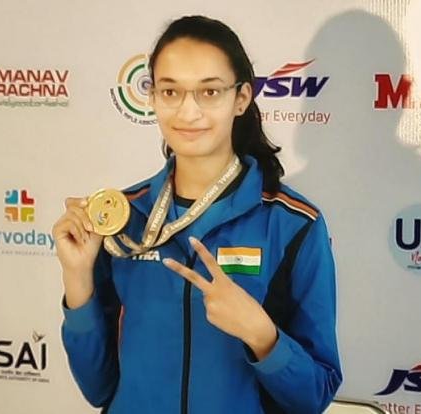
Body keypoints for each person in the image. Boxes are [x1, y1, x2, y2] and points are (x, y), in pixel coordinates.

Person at [52, 15, 342, 414]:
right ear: (151, 96)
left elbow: (315, 396)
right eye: (170, 91)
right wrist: (77, 276)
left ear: (241, 98)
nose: (188, 112)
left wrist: (263, 337)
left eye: (209, 92)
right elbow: (98, 388)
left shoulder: (293, 225)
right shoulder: (122, 220)